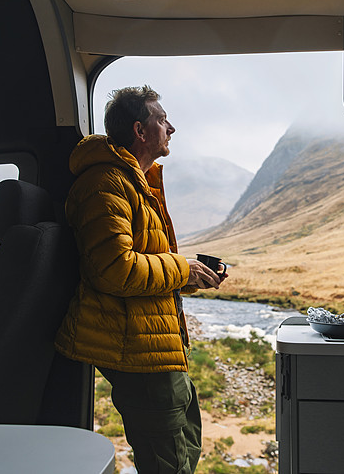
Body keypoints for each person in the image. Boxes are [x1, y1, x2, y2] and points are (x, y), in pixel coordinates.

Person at [55, 85, 223, 473]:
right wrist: (184, 267)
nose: (172, 128)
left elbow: (146, 261)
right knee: (169, 461)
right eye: (162, 119)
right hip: (137, 347)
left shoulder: (136, 182)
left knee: (185, 442)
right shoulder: (106, 184)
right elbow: (114, 269)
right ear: (140, 131)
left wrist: (193, 276)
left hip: (155, 340)